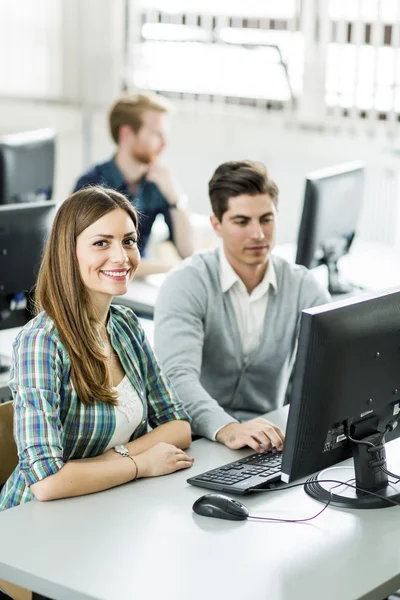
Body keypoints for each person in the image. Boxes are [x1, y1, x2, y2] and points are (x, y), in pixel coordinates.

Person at [0, 187, 193, 513]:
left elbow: (178, 427)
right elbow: (47, 482)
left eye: (129, 241)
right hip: (33, 523)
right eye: (101, 243)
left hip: (106, 506)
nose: (121, 256)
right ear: (69, 252)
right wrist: (141, 464)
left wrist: (113, 459)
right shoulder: (42, 343)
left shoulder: (125, 324)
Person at [154, 160, 331, 452]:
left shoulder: (302, 286)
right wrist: (228, 428)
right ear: (217, 225)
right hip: (196, 440)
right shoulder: (187, 282)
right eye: (241, 222)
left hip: (267, 439)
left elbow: (332, 365)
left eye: (266, 219)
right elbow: (175, 378)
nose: (258, 234)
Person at [73, 92, 195, 277]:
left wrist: (175, 198)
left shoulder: (157, 182)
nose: (164, 144)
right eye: (157, 134)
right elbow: (106, 261)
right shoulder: (92, 185)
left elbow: (189, 251)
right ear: (127, 134)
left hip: (137, 285)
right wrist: (173, 269)